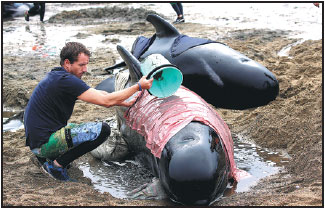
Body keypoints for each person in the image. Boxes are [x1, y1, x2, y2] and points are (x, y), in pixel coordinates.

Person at [24, 42, 153, 181]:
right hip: (44, 145)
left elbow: (100, 94)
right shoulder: (67, 81)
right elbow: (106, 101)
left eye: (86, 64)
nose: (85, 69)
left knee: (75, 129)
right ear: (67, 63)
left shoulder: (58, 76)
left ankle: (49, 159)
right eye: (81, 65)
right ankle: (56, 166)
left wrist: (121, 101)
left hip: (37, 141)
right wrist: (139, 86)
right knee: (102, 130)